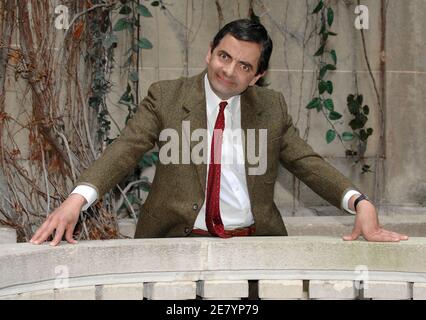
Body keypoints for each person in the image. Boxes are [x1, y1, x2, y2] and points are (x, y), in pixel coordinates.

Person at [30, 19, 408, 246]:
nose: (229, 71)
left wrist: (360, 202)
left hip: (251, 247)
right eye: (224, 57)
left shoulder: (270, 107)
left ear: (258, 75)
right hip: (176, 245)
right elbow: (125, 150)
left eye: (244, 66)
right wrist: (78, 200)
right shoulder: (166, 96)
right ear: (210, 53)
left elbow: (307, 164)